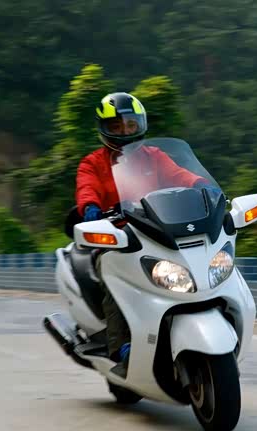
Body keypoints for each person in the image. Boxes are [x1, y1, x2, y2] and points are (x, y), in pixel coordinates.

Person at [74, 92, 207, 378]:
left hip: (158, 231)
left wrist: (201, 184)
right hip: (118, 238)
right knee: (113, 275)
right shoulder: (93, 163)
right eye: (117, 126)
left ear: (141, 125)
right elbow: (87, 188)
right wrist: (92, 208)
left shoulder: (154, 156)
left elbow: (179, 175)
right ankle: (122, 348)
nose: (125, 132)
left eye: (131, 125)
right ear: (104, 129)